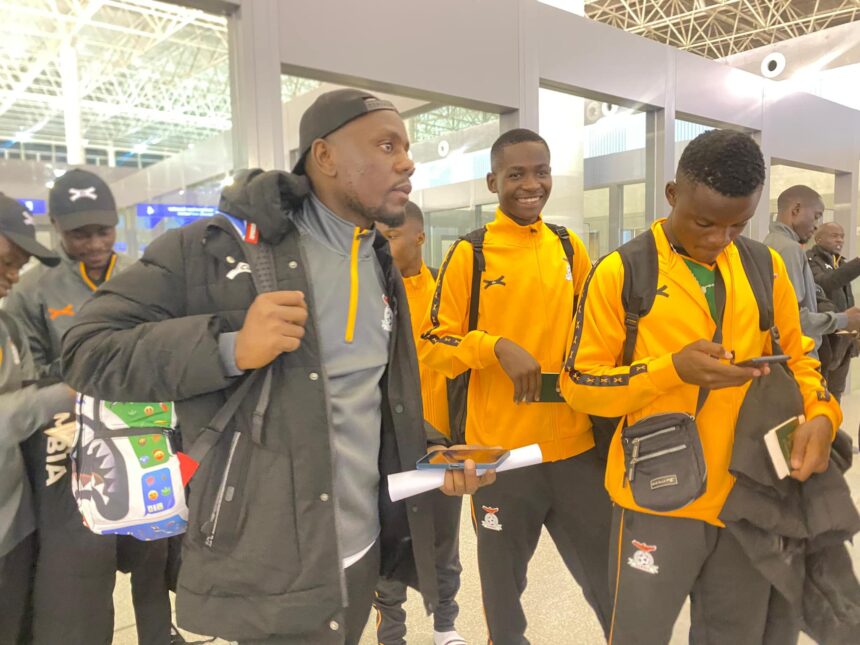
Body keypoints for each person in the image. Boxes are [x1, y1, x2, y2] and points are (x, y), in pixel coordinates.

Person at [62, 88, 493, 645]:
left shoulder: (377, 257)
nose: (407, 161)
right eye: (387, 145)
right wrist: (229, 347)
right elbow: (86, 349)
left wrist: (429, 450)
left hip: (360, 555)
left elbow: (367, 399)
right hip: (271, 566)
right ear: (325, 156)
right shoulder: (214, 251)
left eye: (406, 147)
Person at [562, 129, 840, 644]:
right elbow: (579, 384)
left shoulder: (764, 266)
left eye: (737, 225)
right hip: (655, 498)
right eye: (705, 222)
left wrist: (823, 416)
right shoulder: (622, 272)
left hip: (749, 497)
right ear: (672, 195)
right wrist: (671, 370)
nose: (719, 239)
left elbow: (801, 357)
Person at [419, 128, 612, 644]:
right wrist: (493, 346)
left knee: (614, 587)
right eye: (516, 174)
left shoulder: (570, 248)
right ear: (493, 182)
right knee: (504, 601)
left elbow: (596, 331)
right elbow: (434, 343)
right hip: (501, 458)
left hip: (575, 450)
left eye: (541, 171)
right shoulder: (472, 253)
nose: (531, 184)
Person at [5, 169, 173, 645]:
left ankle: (161, 634)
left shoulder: (141, 276)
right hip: (73, 449)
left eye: (103, 230)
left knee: (152, 553)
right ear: (56, 226)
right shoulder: (33, 290)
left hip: (144, 434)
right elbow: (30, 378)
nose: (96, 243)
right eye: (81, 233)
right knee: (85, 570)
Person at [374, 202, 464, 645]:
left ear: (419, 239)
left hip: (441, 445)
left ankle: (446, 626)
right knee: (390, 543)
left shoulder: (444, 295)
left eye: (391, 238)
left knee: (444, 544)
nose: (382, 247)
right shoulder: (371, 295)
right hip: (389, 447)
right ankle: (391, 633)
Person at [0, 195, 73, 644]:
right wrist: (62, 396)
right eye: (8, 262)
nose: (13, 278)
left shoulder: (5, 324)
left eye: (20, 266)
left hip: (18, 523)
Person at [763, 185, 860, 356]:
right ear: (796, 210)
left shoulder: (773, 243)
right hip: (797, 358)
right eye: (816, 217)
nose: (816, 226)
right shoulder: (789, 249)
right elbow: (794, 319)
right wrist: (844, 319)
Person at [806, 221, 860, 400]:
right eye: (834, 235)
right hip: (826, 340)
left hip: (844, 340)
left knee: (837, 393)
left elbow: (847, 300)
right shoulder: (810, 261)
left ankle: (834, 427)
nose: (840, 240)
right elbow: (826, 283)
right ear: (818, 238)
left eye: (842, 236)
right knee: (822, 395)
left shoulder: (840, 262)